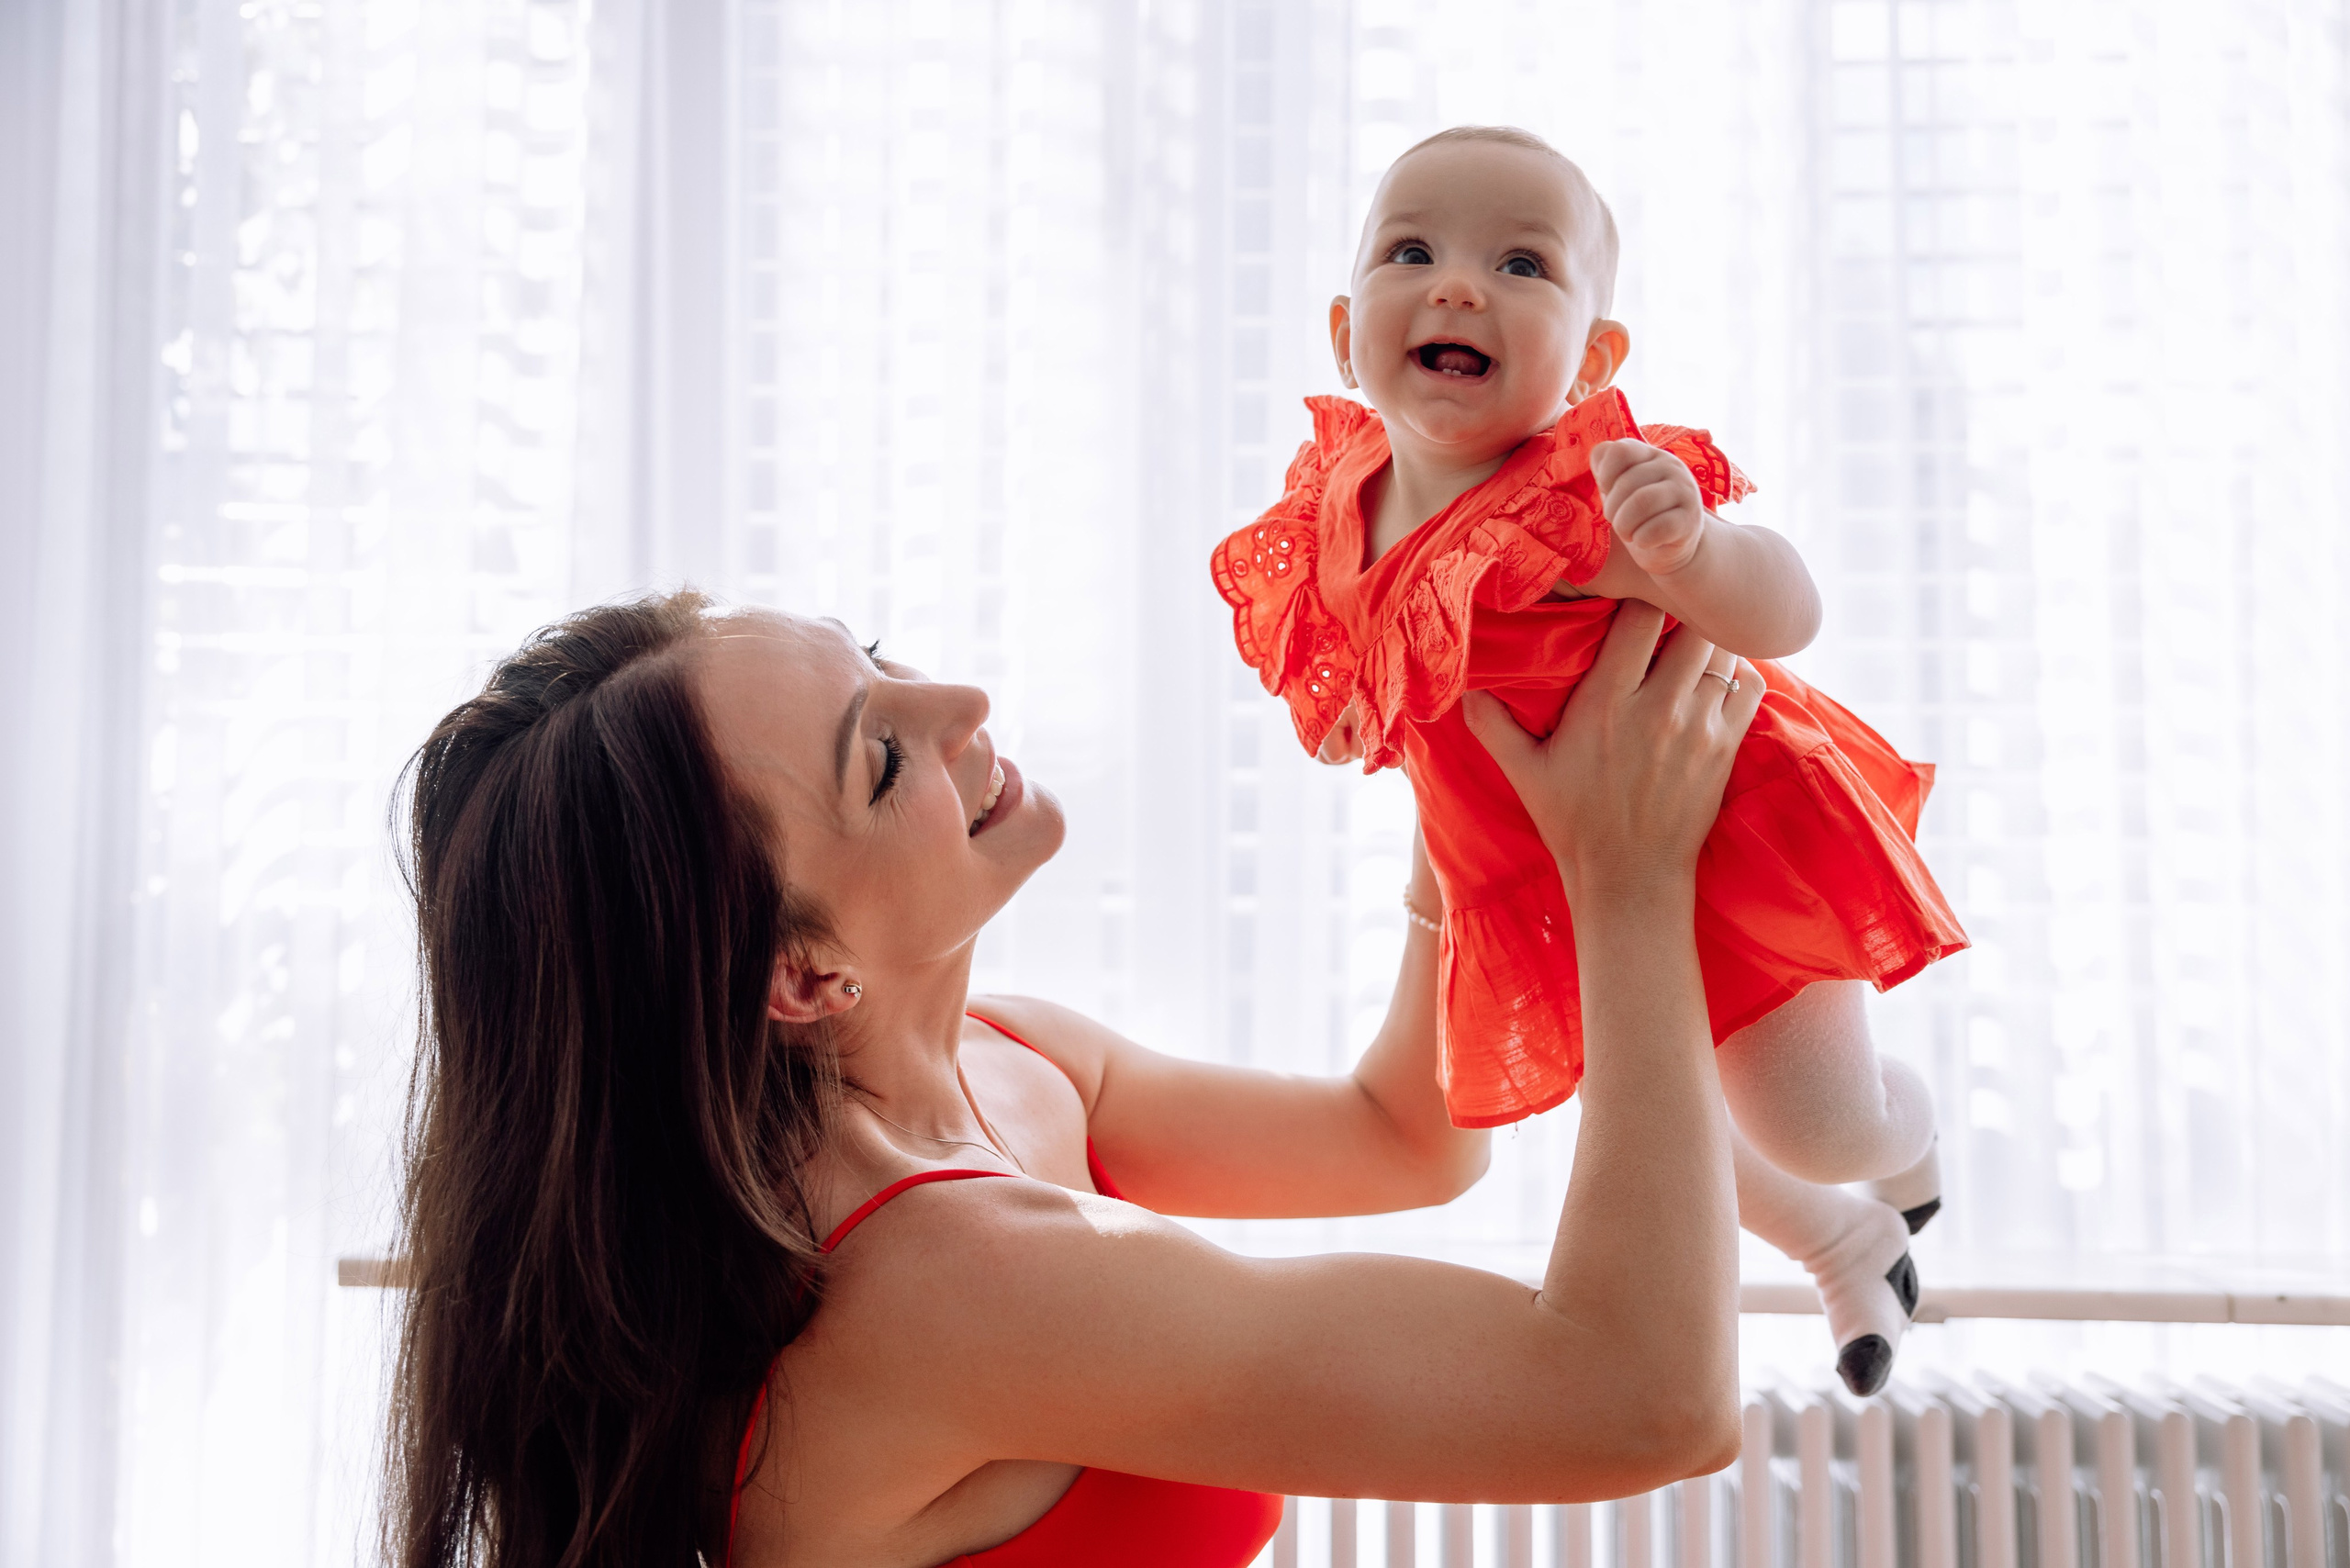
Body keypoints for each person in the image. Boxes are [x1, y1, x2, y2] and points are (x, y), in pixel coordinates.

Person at [387, 588, 1756, 1568]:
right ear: (800, 976)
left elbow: (1405, 1138)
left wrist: (1461, 791)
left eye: (877, 658)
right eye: (882, 756)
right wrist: (1629, 878)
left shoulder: (1009, 1059)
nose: (962, 706)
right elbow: (1645, 1401)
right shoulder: (951, 1283)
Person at [1211, 124, 1969, 1394]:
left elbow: (1785, 613)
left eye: (1522, 265)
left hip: (1716, 827)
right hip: (1546, 870)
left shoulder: (1572, 505)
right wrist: (1354, 715)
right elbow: (1365, 659)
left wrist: (1695, 554)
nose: (1460, 288)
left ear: (1591, 362)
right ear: (1345, 334)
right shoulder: (1337, 503)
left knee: (1813, 1124)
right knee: (1653, 1119)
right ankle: (1849, 1248)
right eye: (1413, 252)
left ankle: (1905, 1150)